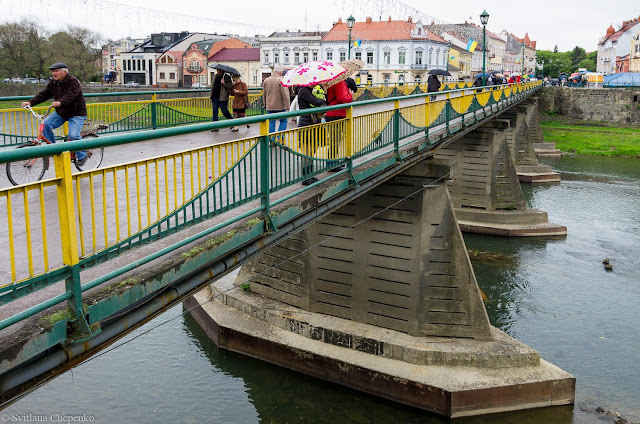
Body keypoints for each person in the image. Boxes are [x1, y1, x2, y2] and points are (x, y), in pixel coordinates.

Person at [21, 62, 88, 165]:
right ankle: (54, 149)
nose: (54, 74)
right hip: (62, 112)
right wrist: (31, 102)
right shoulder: (53, 83)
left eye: (56, 71)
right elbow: (44, 94)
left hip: (76, 113)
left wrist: (60, 102)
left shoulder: (73, 81)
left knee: (73, 135)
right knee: (46, 125)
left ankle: (83, 156)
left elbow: (72, 95)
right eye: (53, 72)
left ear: (64, 72)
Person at [297, 83, 326, 185]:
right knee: (307, 152)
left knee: (312, 151)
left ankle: (310, 175)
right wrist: (322, 98)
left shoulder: (311, 90)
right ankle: (306, 177)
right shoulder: (304, 91)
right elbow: (317, 101)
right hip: (306, 124)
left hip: (312, 123)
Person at [324, 79, 353, 171]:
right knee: (335, 140)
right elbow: (342, 98)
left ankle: (333, 162)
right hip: (336, 114)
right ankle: (331, 164)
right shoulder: (339, 82)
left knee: (334, 140)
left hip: (332, 113)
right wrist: (350, 95)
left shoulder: (331, 82)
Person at [262, 65, 290, 137]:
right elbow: (285, 94)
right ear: (281, 72)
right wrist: (288, 106)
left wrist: (265, 104)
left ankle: (272, 139)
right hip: (280, 106)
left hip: (270, 106)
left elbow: (264, 94)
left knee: (271, 122)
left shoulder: (266, 80)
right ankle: (280, 138)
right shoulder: (281, 80)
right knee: (283, 121)